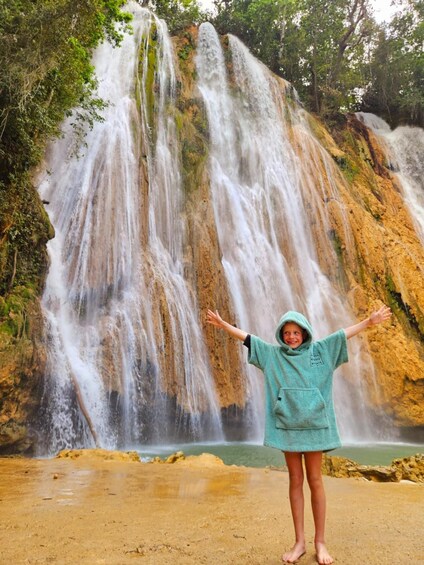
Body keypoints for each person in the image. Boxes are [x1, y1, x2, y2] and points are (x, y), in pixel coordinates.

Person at [206, 305, 392, 565]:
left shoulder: (320, 352)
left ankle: (320, 542)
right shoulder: (273, 355)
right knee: (295, 480)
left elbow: (341, 335)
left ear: (304, 333)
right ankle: (299, 543)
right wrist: (224, 326)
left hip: (314, 426)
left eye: (296, 332)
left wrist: (368, 322)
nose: (292, 337)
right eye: (287, 332)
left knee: (315, 479)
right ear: (281, 335)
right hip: (288, 426)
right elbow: (249, 339)